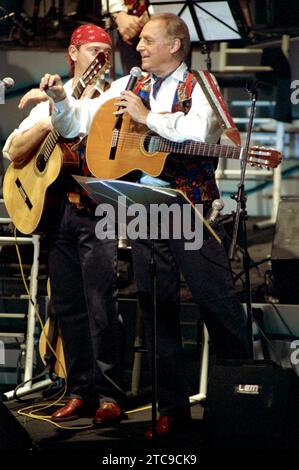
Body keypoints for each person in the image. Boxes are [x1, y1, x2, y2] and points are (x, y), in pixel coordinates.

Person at [39, 13, 253, 438]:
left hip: (187, 206)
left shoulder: (200, 84)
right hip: (140, 205)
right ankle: (172, 409)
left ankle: (243, 403)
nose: (138, 47)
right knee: (157, 311)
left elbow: (199, 131)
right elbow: (78, 123)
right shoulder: (128, 84)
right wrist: (63, 100)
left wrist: (146, 115)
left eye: (148, 41)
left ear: (175, 46)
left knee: (217, 305)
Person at [3, 24, 126, 425]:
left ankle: (109, 393)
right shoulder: (47, 102)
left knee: (101, 305)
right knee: (69, 306)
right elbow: (13, 151)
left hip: (98, 211)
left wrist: (69, 111)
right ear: (74, 54)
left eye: (106, 50)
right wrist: (50, 117)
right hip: (57, 213)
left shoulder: (112, 97)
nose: (101, 57)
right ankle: (79, 389)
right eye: (93, 49)